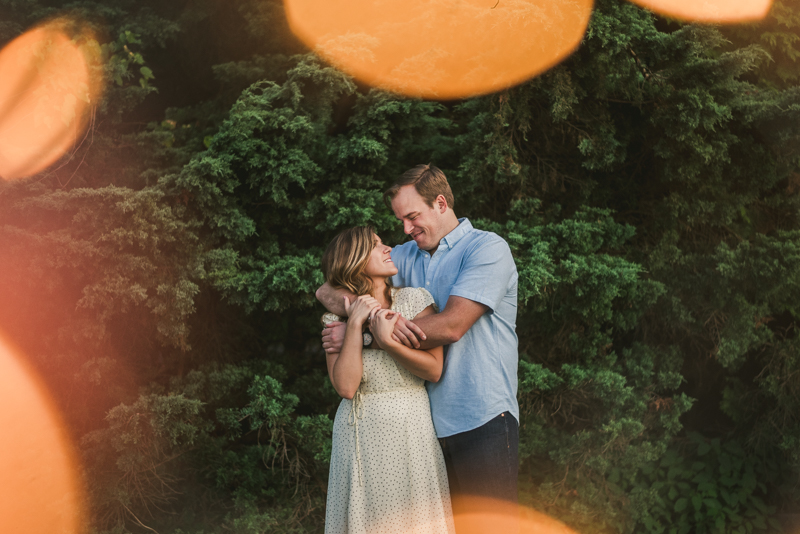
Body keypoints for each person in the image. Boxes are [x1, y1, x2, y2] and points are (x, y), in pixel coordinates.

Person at [317, 164, 519, 532]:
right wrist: (352, 322)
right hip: (424, 427)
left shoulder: (487, 249)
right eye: (401, 221)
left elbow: (452, 325)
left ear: (440, 203)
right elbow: (328, 289)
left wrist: (362, 337)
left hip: (482, 418)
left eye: (412, 217)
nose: (406, 230)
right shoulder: (406, 257)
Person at [320, 225, 455, 534]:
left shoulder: (414, 301)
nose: (387, 248)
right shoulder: (336, 319)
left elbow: (433, 369)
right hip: (357, 432)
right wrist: (355, 324)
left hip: (410, 426)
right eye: (375, 245)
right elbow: (346, 386)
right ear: (353, 260)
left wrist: (389, 342)